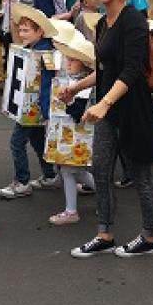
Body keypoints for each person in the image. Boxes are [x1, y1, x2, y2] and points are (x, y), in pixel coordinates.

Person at [63, 0, 153, 258]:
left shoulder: (133, 19)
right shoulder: (104, 22)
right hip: (106, 110)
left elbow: (131, 70)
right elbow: (105, 69)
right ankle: (104, 233)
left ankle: (150, 238)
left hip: (131, 109)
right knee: (101, 170)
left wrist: (105, 103)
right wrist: (75, 87)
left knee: (140, 176)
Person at [0, 4, 59, 199]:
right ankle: (49, 175)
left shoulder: (44, 53)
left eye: (27, 30)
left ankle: (22, 182)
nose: (22, 34)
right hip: (30, 107)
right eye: (21, 29)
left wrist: (46, 110)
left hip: (33, 108)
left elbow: (49, 83)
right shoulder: (31, 49)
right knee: (37, 140)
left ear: (40, 31)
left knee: (17, 143)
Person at [48, 33, 96, 225]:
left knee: (70, 172)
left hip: (79, 137)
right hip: (72, 137)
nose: (68, 63)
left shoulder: (83, 85)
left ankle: (71, 211)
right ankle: (105, 194)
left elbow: (77, 113)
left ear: (84, 63)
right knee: (73, 172)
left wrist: (66, 100)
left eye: (73, 60)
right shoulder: (74, 81)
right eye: (68, 59)